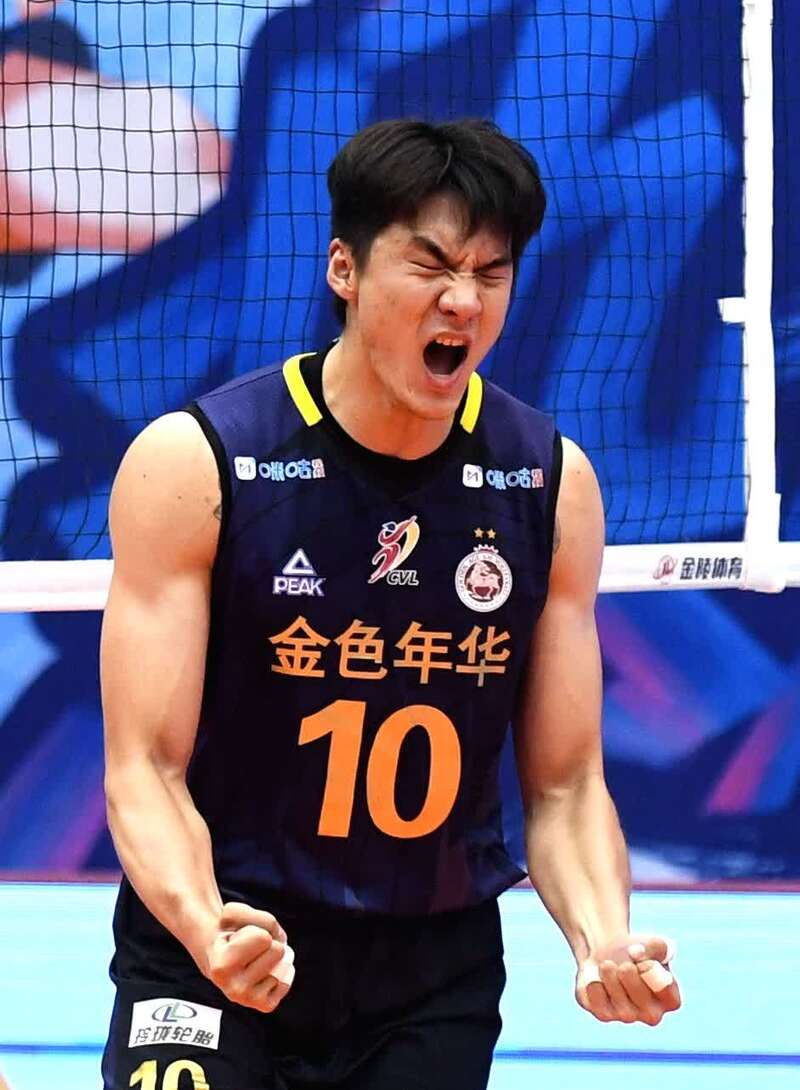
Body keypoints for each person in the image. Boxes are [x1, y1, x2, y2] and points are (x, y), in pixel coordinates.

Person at [100, 118, 680, 1090]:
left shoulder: (548, 484)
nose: (462, 301)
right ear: (345, 269)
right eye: (431, 265)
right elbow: (143, 770)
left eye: (490, 273)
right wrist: (207, 926)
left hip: (428, 969)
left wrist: (600, 938)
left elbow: (566, 784)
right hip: (223, 935)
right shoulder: (198, 463)